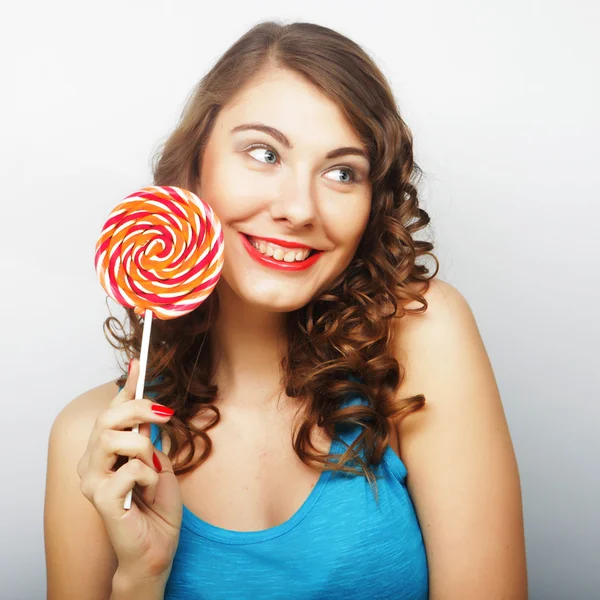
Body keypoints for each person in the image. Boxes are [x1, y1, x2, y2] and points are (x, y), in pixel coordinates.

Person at [44, 20, 527, 600]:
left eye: (342, 172)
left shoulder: (422, 337)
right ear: (194, 167)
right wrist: (142, 576)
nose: (299, 208)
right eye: (264, 153)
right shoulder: (94, 442)